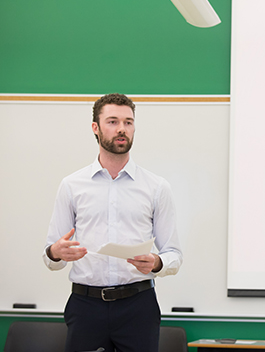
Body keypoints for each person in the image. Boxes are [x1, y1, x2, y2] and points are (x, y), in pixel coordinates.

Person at [43, 93, 183, 352]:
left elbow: (173, 254)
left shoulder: (156, 187)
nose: (121, 129)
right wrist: (55, 252)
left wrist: (157, 262)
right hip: (86, 306)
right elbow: (52, 256)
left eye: (128, 122)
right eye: (113, 121)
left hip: (138, 306)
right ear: (95, 128)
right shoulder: (72, 186)